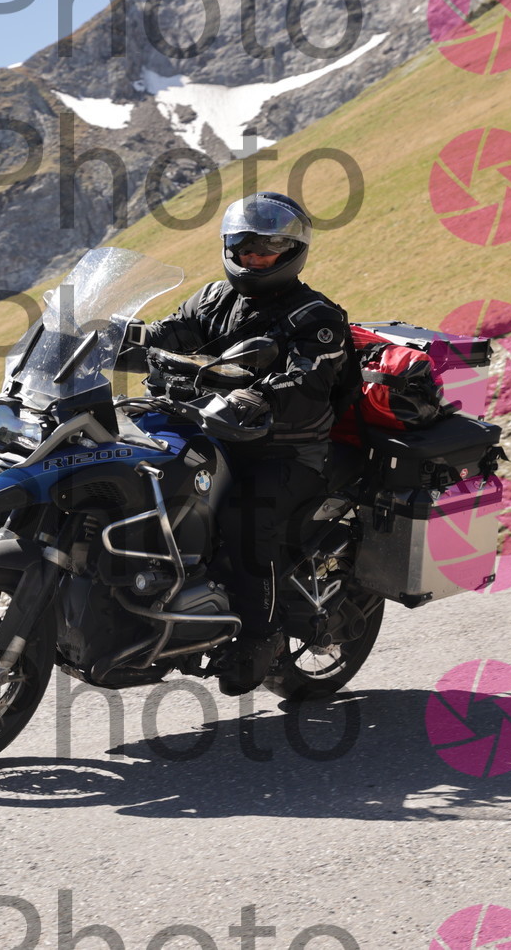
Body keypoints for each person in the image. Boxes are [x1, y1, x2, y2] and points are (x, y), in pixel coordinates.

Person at [132, 191, 354, 695]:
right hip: (216, 433)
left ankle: (262, 636)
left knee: (245, 518)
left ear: (291, 252)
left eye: (267, 249)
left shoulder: (316, 317)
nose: (253, 258)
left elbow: (307, 378)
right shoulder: (214, 299)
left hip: (286, 450)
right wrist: (115, 337)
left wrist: (258, 396)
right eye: (244, 247)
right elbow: (170, 334)